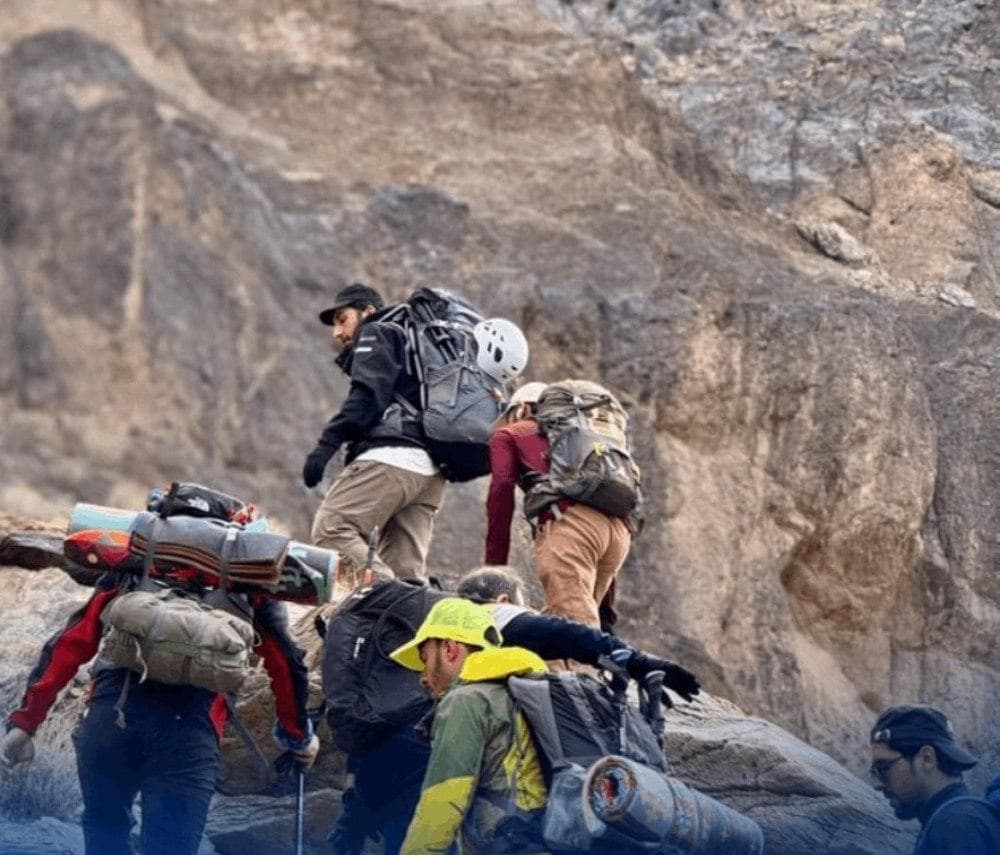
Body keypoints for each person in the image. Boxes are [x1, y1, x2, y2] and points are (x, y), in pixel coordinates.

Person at [325, 566, 699, 855]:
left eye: (424, 661)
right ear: (503, 603)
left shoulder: (455, 692)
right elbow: (559, 633)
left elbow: (384, 763)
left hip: (419, 799)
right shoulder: (479, 630)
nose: (422, 675)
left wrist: (351, 822)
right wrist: (634, 660)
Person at [1, 574, 318, 855]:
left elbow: (70, 643)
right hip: (188, 737)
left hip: (108, 723)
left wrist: (25, 725)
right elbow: (287, 663)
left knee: (105, 835)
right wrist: (298, 736)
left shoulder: (136, 568)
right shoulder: (249, 584)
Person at [303, 282, 446, 584]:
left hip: (391, 459)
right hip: (432, 473)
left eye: (343, 319)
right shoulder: (417, 346)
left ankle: (387, 594)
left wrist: (325, 447)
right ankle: (405, 617)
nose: (337, 333)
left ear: (368, 311)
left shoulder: (377, 330)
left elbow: (366, 398)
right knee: (407, 573)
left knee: (332, 529)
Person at [389, 598, 549, 854]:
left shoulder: (466, 701)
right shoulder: (522, 692)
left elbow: (442, 804)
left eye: (424, 656)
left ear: (451, 649)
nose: (422, 677)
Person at [485, 382, 632, 630]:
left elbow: (501, 493)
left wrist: (494, 573)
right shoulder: (586, 438)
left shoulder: (512, 433)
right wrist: (605, 606)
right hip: (619, 534)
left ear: (520, 409)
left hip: (569, 524)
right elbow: (604, 500)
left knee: (574, 633)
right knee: (573, 628)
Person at [868, 705, 1000, 854]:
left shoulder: (956, 825)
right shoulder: (956, 820)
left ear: (927, 758)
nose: (877, 785)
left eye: (884, 769)